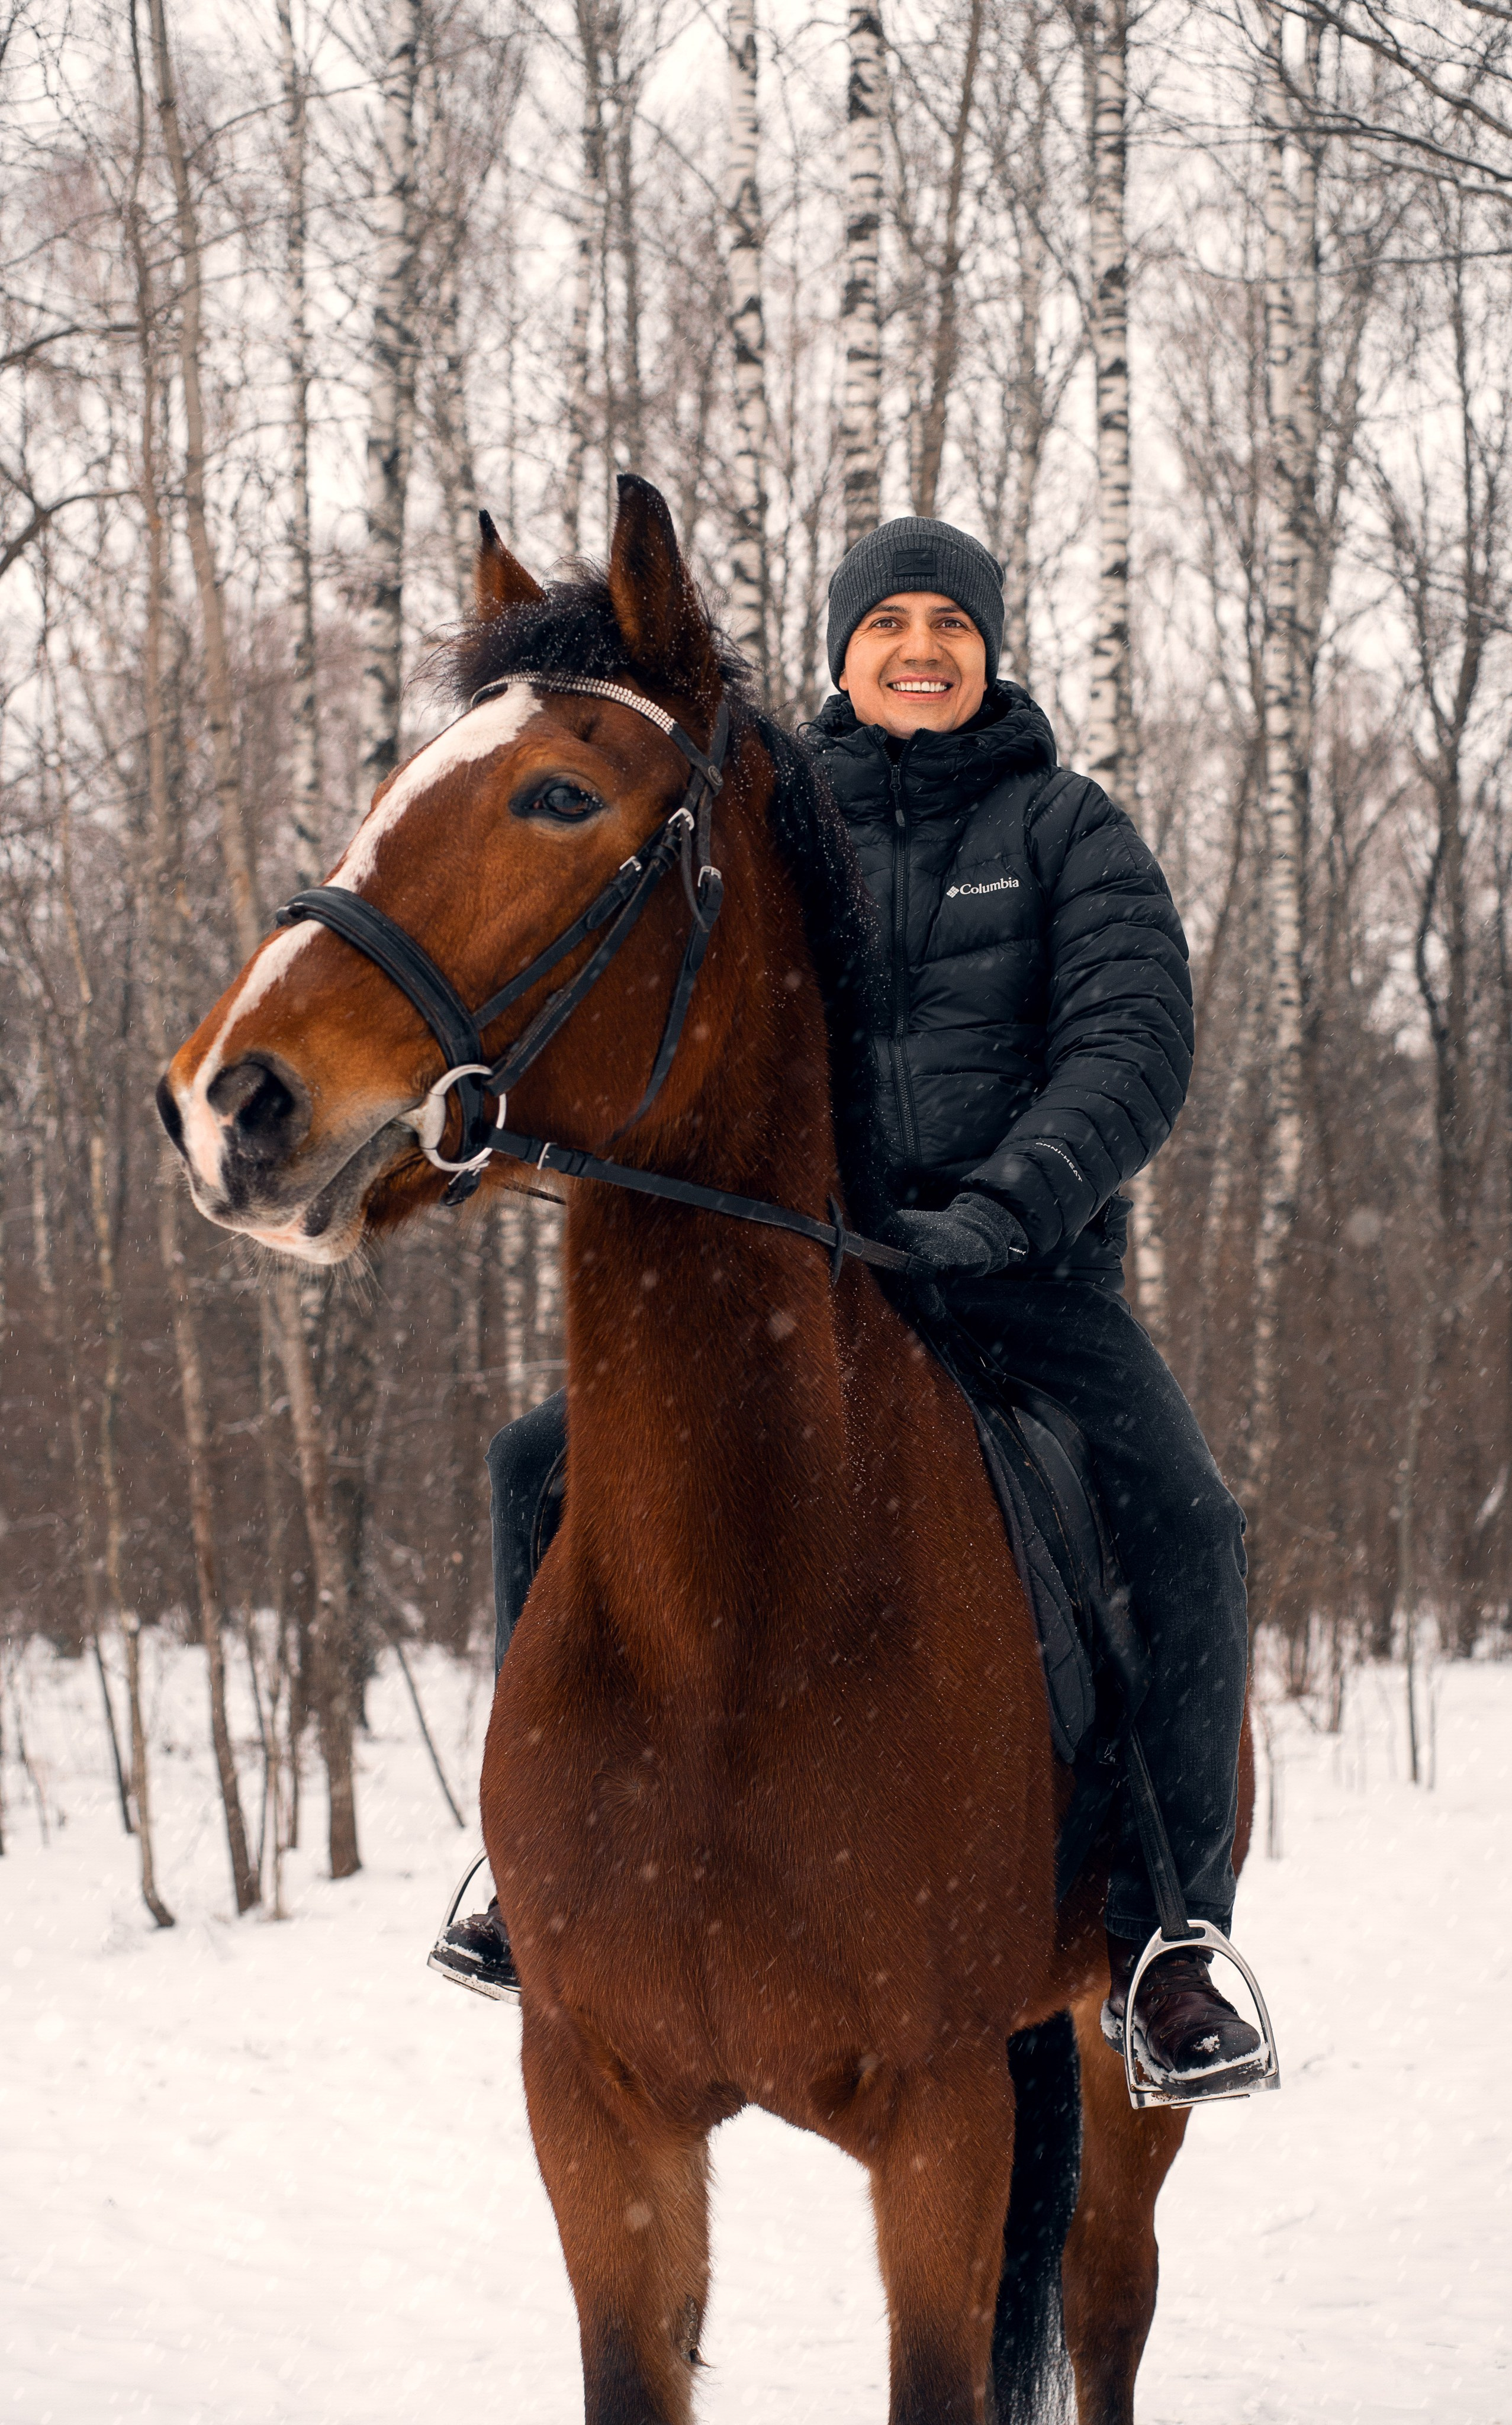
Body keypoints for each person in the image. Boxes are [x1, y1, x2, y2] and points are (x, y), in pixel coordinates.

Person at [432, 517, 1260, 2088]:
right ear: (840, 654)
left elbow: (1130, 1048)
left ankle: (1169, 1939)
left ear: (991, 652)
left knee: (1187, 1520)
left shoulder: (1070, 828)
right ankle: (541, 1860)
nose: (921, 648)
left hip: (1020, 1284)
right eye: (888, 625)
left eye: (951, 622)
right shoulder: (768, 825)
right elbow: (664, 1016)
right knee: (535, 1464)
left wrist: (1003, 1206)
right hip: (798, 1295)